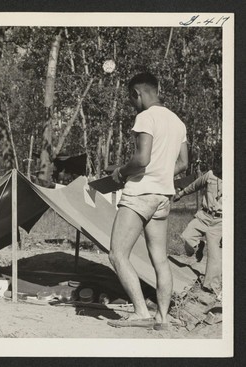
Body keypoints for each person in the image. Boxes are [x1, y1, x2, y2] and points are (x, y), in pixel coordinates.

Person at [107, 72, 188, 330]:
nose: (133, 104)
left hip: (140, 193)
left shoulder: (145, 116)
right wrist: (163, 174)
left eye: (132, 99)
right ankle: (162, 318)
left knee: (117, 254)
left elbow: (142, 159)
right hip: (163, 196)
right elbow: (183, 163)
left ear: (138, 93)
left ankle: (141, 311)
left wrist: (121, 172)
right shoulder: (177, 122)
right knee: (160, 259)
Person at [173, 156, 222, 292]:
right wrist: (181, 194)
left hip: (220, 223)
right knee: (186, 237)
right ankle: (198, 246)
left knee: (215, 256)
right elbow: (194, 186)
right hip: (203, 216)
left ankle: (211, 286)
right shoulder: (210, 175)